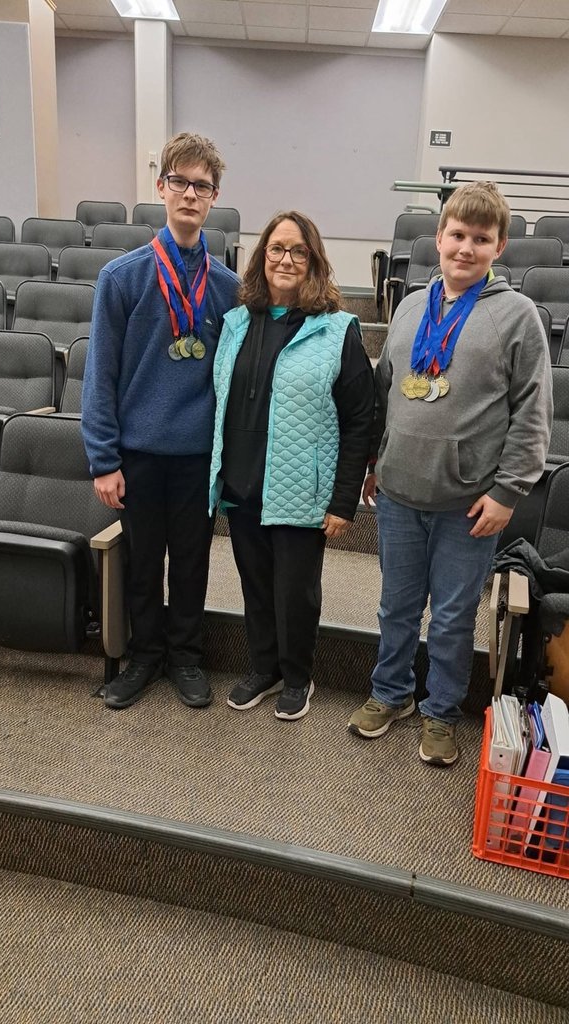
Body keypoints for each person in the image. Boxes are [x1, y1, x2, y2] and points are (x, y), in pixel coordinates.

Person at [348, 181, 553, 765]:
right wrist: (374, 465)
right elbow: (387, 393)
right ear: (438, 238)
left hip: (470, 504)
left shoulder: (518, 318)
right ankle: (391, 694)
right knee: (396, 605)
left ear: (500, 246)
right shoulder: (412, 306)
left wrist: (508, 493)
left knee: (455, 616)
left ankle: (439, 711)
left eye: (481, 239)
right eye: (457, 235)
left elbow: (531, 415)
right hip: (399, 493)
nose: (466, 248)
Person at [82, 132, 239, 710]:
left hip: (198, 454)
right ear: (161, 187)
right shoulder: (122, 278)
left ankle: (186, 657)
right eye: (181, 182)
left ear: (214, 196)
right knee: (143, 563)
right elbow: (100, 375)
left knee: (193, 563)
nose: (191, 194)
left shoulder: (226, 288)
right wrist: (104, 459)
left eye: (202, 186)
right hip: (140, 453)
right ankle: (144, 657)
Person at [209, 211, 374, 721]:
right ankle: (263, 667)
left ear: (313, 262)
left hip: (302, 485)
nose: (285, 259)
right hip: (242, 478)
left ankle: (298, 675)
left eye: (298, 251)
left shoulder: (336, 331)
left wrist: (344, 499)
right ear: (262, 258)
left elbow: (360, 420)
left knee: (296, 591)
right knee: (255, 583)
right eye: (277, 249)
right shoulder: (236, 323)